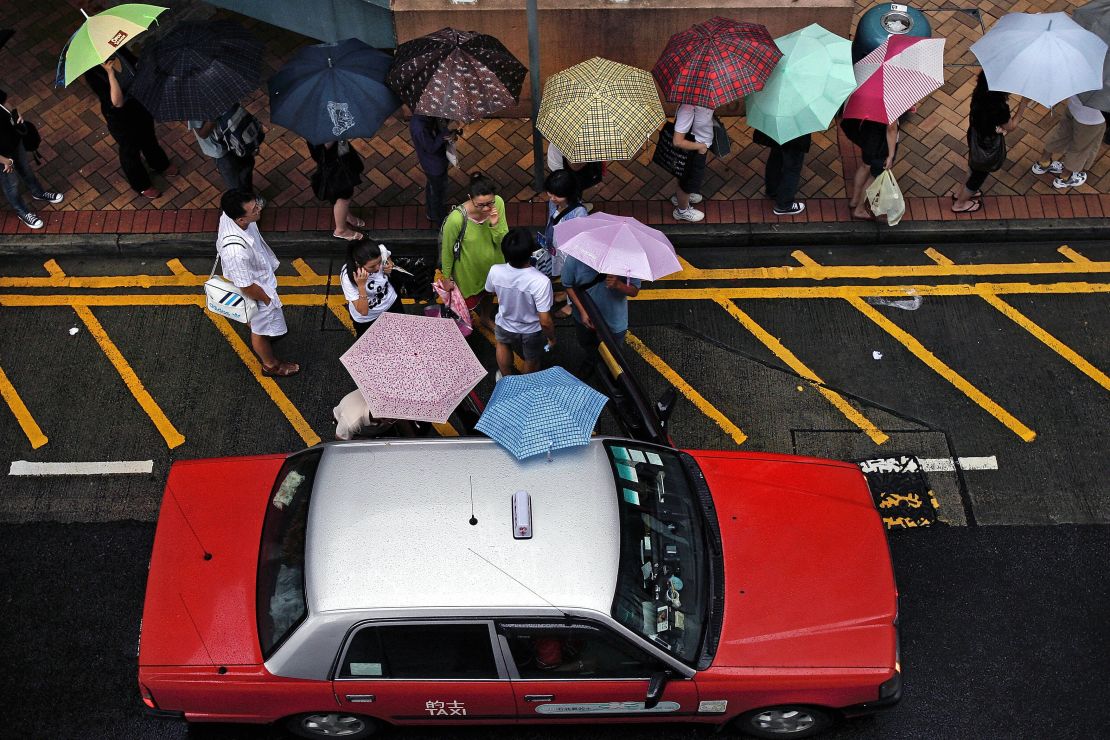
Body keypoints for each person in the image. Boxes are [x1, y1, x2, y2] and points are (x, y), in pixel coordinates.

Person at [216, 189, 299, 377]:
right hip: (257, 290)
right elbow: (246, 286)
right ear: (241, 220)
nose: (259, 208)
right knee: (260, 331)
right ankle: (271, 365)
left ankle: (260, 329)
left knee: (257, 323)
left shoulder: (233, 217)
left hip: (256, 277)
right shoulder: (236, 252)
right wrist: (267, 299)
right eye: (254, 209)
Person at [83, 49, 176, 199]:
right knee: (130, 149)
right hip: (120, 117)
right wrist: (110, 74)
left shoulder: (119, 51)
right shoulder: (93, 74)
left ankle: (159, 164)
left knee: (149, 136)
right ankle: (141, 184)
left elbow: (136, 66)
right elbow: (117, 102)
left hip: (138, 104)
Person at [439, 172, 509, 329]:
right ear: (470, 198)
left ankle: (484, 317)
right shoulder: (456, 219)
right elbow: (447, 250)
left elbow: (503, 241)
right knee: (465, 305)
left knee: (489, 295)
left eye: (489, 203)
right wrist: (446, 277)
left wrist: (495, 225)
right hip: (468, 273)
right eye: (480, 205)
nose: (486, 208)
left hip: (493, 267)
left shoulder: (498, 204)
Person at [484, 228, 555, 378]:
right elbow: (545, 321)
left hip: (505, 323)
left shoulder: (495, 271)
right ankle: (524, 385)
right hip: (531, 330)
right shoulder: (541, 281)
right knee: (531, 358)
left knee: (503, 345)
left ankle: (506, 378)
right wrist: (552, 338)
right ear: (531, 252)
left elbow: (490, 291)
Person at [952, 72, 1026, 213]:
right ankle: (960, 204)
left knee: (974, 166)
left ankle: (959, 193)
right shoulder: (998, 105)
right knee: (978, 176)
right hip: (986, 145)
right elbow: (1011, 126)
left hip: (974, 134)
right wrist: (1023, 104)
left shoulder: (981, 91)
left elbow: (986, 116)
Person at [561, 253, 641, 379]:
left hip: (614, 321)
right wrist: (582, 311)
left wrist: (619, 285)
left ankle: (612, 374)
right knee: (587, 343)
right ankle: (591, 360)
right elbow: (567, 284)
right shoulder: (576, 256)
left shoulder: (627, 258)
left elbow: (634, 290)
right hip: (584, 318)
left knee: (614, 353)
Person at [0, 90, 63, 229]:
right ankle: (22, 211)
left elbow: (3, 103)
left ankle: (38, 193)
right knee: (11, 185)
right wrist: (5, 161)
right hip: (2, 156)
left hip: (14, 140)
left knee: (26, 169)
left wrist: (15, 115)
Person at [537, 169, 589, 318]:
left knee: (570, 278)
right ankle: (566, 295)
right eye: (550, 192)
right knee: (561, 273)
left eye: (557, 195)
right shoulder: (553, 203)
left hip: (570, 254)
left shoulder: (579, 213)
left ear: (569, 193)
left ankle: (571, 304)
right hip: (556, 248)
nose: (552, 198)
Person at [1031, 95, 1106, 190]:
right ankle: (1065, 178)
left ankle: (1043, 163)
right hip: (1093, 119)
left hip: (1073, 106)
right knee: (1080, 149)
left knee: (1060, 134)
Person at [340, 241, 404, 337]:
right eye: (372, 266)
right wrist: (361, 286)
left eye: (379, 262)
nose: (378, 267)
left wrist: (390, 264)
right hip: (368, 319)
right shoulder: (348, 277)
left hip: (392, 305)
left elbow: (388, 258)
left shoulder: (381, 250)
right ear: (358, 264)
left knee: (401, 335)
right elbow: (363, 311)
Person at [841, 117, 899, 220]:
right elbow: (891, 129)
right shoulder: (891, 104)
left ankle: (855, 200)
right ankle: (860, 210)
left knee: (865, 166)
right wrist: (890, 155)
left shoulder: (869, 101)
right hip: (882, 144)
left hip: (869, 137)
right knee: (875, 176)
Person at [308, 139, 365, 240]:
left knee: (342, 195)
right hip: (337, 170)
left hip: (337, 163)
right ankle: (341, 230)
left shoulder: (315, 130)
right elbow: (328, 145)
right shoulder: (327, 136)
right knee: (344, 197)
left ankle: (345, 215)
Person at [187, 108, 256, 192]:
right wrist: (216, 113)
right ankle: (242, 202)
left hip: (237, 137)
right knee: (234, 182)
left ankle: (249, 195)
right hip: (221, 150)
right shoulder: (193, 105)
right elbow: (203, 133)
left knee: (247, 166)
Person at [410, 114, 460, 225]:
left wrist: (452, 133)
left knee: (433, 186)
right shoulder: (419, 127)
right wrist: (447, 129)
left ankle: (432, 212)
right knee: (438, 192)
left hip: (439, 160)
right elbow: (431, 147)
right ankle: (439, 219)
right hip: (434, 165)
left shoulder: (430, 115)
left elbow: (441, 131)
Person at [753, 129, 810, 216]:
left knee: (776, 157)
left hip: (778, 129)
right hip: (796, 134)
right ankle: (784, 205)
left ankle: (772, 191)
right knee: (792, 167)